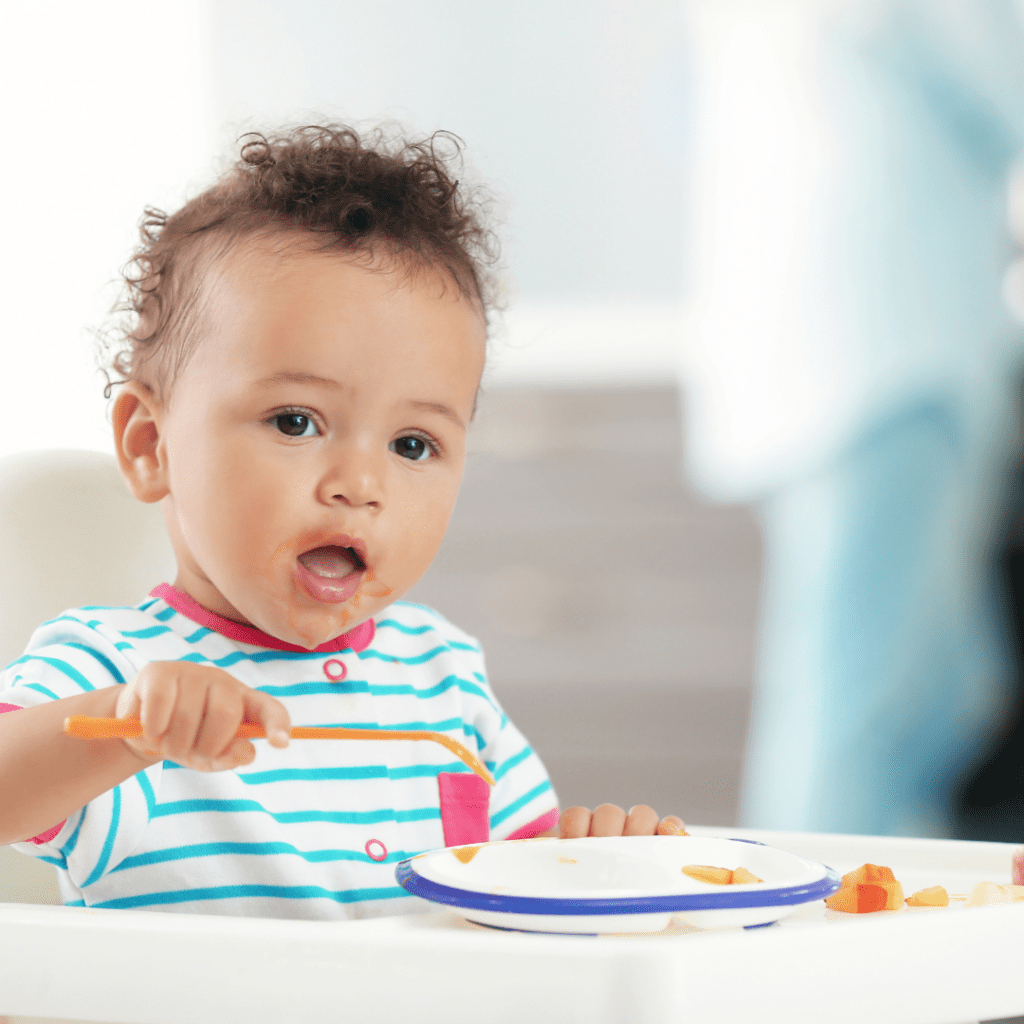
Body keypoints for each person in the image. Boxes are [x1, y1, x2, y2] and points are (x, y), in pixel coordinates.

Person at [0, 125, 685, 919]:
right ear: (152, 445)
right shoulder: (112, 669)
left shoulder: (444, 676)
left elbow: (510, 889)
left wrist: (590, 861)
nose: (360, 485)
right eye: (296, 422)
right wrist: (125, 728)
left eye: (412, 444)